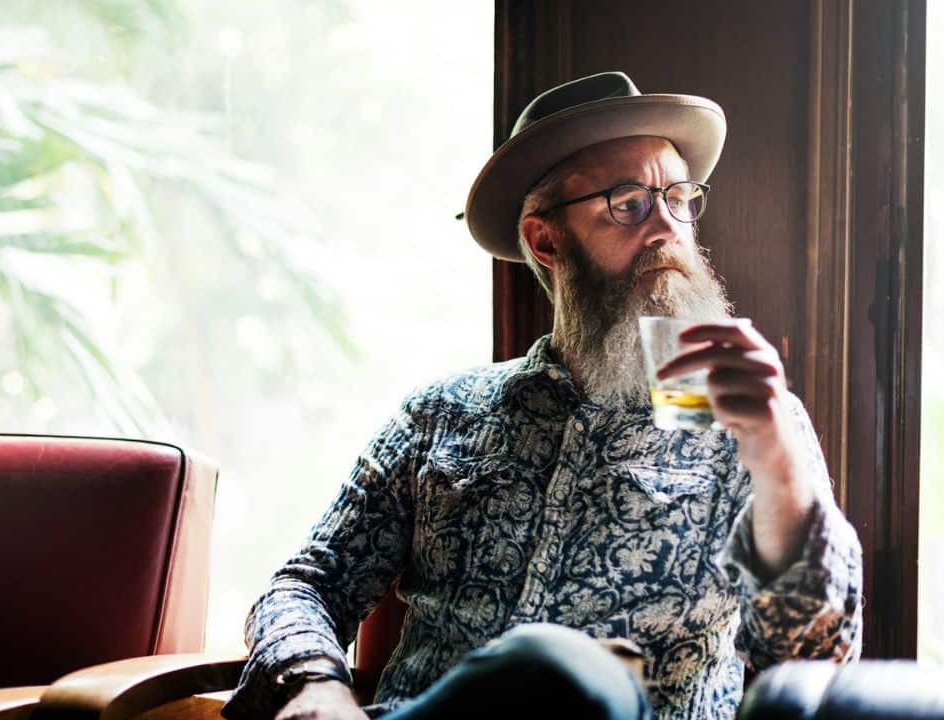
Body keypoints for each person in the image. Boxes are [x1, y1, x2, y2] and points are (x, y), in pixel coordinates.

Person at [221, 71, 863, 720]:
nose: (668, 227)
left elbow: (812, 654)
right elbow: (305, 586)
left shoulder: (750, 427)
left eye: (679, 197)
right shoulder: (440, 414)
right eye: (630, 202)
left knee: (564, 673)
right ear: (545, 240)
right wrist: (314, 688)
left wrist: (777, 460)